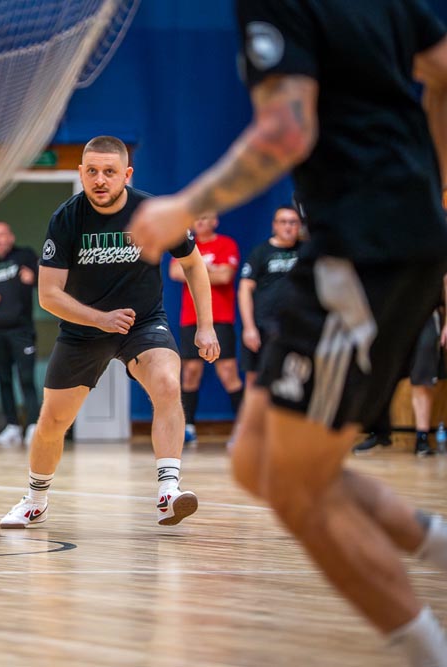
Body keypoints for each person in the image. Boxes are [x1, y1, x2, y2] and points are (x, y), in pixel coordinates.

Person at [128, 2, 447, 663]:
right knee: (255, 460)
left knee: (298, 484)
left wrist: (183, 207)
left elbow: (285, 131)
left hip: (366, 251)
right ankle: (436, 544)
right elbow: (442, 70)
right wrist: (431, 188)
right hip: (349, 246)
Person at [0, 135, 220, 529]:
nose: (100, 180)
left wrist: (206, 326)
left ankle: (168, 492)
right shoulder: (66, 219)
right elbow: (48, 295)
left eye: (109, 172)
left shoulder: (154, 213)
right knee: (52, 421)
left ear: (126, 174)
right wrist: (99, 319)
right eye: (92, 171)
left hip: (143, 323)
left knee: (168, 384)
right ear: (81, 173)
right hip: (84, 329)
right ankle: (35, 500)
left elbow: (193, 264)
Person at [168, 212, 243, 445]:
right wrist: (210, 270)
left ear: (214, 221)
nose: (200, 222)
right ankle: (187, 426)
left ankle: (244, 429)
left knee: (228, 371)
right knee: (190, 371)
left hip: (221, 317)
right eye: (197, 218)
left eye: (205, 217)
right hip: (191, 318)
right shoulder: (187, 242)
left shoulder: (226, 244)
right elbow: (175, 272)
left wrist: (195, 271)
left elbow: (225, 276)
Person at [0, 221, 40, 447]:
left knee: (26, 379)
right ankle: (11, 426)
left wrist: (34, 278)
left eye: (1, 235)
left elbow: (49, 279)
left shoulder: (25, 256)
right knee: (3, 380)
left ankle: (32, 425)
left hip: (22, 331)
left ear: (10, 237)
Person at [355, 304, 446, 457]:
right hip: (393, 315)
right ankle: (379, 433)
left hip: (426, 316)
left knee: (422, 378)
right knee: (381, 375)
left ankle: (422, 440)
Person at [237, 205, 303, 390]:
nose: (288, 227)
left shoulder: (305, 251)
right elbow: (244, 290)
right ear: (274, 225)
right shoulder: (260, 252)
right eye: (283, 222)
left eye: (293, 222)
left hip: (296, 325)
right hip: (263, 326)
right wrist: (249, 328)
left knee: (294, 378)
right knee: (255, 378)